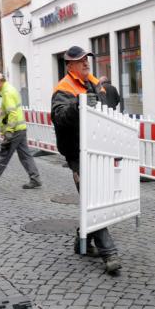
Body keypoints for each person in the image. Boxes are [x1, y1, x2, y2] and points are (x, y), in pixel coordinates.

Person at [51, 45, 121, 274]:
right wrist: (78, 104)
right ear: (69, 65)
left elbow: (109, 105)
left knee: (97, 195)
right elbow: (60, 117)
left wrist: (106, 92)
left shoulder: (91, 82)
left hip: (97, 148)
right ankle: (109, 253)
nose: (86, 63)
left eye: (87, 59)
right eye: (80, 61)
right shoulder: (64, 88)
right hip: (77, 152)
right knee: (93, 198)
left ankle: (83, 239)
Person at [0, 73, 42, 189]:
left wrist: (9, 131)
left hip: (15, 131)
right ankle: (35, 178)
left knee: (4, 155)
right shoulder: (10, 89)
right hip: (20, 129)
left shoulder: (7, 93)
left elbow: (12, 113)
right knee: (25, 156)